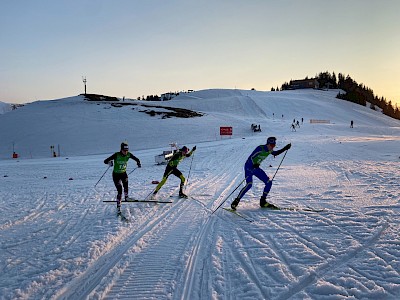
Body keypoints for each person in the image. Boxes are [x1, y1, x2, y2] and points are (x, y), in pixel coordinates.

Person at [231, 137, 291, 210]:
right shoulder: (260, 148)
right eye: (271, 145)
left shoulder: (270, 150)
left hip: (256, 168)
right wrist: (254, 164)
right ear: (268, 144)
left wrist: (285, 148)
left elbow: (275, 153)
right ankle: (236, 201)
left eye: (274, 146)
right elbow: (251, 157)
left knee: (269, 183)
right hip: (249, 167)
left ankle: (263, 201)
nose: (272, 147)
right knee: (249, 184)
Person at [104, 142, 141, 208]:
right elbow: (105, 161)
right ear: (121, 150)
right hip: (116, 175)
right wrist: (109, 163)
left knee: (126, 186)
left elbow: (137, 159)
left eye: (127, 150)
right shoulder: (116, 155)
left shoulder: (128, 155)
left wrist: (138, 163)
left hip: (123, 173)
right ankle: (118, 204)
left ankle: (126, 197)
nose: (126, 152)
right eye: (124, 150)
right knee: (120, 190)